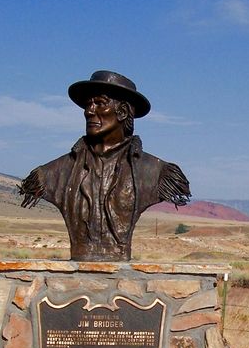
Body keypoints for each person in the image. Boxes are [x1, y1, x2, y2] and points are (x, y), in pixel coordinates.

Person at [19, 70, 191, 261]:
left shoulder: (157, 173)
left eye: (100, 103)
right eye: (88, 104)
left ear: (123, 112)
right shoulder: (52, 174)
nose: (89, 111)